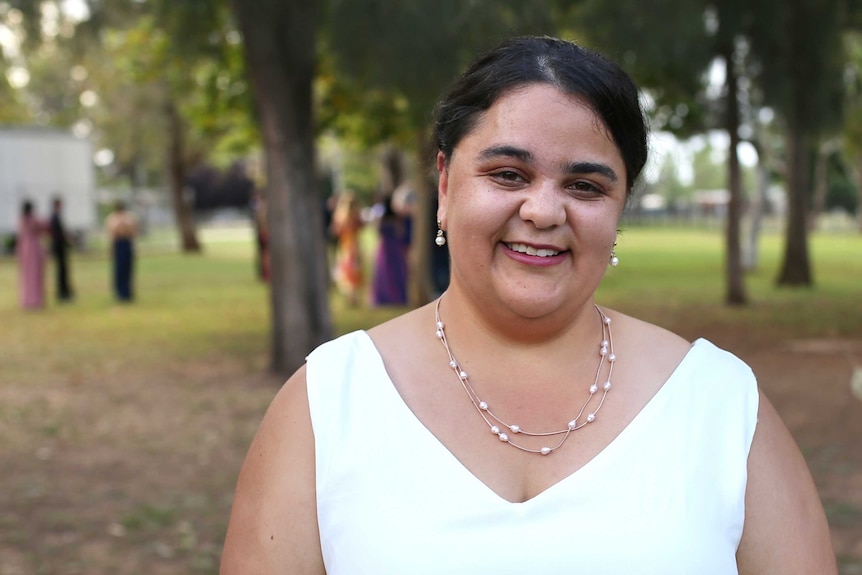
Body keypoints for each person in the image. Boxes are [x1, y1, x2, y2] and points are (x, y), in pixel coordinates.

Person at [221, 36, 836, 574]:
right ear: (443, 184)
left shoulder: (721, 405)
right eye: (509, 175)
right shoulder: (329, 403)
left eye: (585, 186)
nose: (544, 212)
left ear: (619, 208)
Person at [371, 194, 410, 306]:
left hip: (385, 248)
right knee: (396, 272)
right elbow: (401, 232)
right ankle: (397, 298)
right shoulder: (396, 219)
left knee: (385, 273)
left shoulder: (383, 219)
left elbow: (378, 231)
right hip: (394, 248)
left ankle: (386, 298)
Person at [330, 191, 365, 307]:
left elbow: (334, 230)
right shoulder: (352, 216)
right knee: (352, 269)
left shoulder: (340, 215)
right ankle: (352, 296)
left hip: (346, 245)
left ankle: (351, 296)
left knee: (348, 269)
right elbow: (361, 226)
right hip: (352, 245)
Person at [16, 200, 48, 310]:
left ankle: (26, 300)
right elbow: (44, 227)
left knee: (26, 277)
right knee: (35, 276)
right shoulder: (33, 219)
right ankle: (35, 300)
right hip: (34, 248)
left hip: (24, 248)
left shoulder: (21, 220)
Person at [105, 200, 138, 302]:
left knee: (128, 269)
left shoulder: (129, 217)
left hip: (126, 242)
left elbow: (134, 231)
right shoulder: (112, 218)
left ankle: (127, 292)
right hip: (118, 243)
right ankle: (120, 293)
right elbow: (110, 233)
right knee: (119, 270)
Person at [49, 196, 74, 302]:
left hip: (61, 247)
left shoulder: (56, 216)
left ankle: (65, 292)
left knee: (63, 270)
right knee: (61, 270)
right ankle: (62, 293)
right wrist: (67, 239)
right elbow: (57, 234)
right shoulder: (54, 217)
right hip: (59, 247)